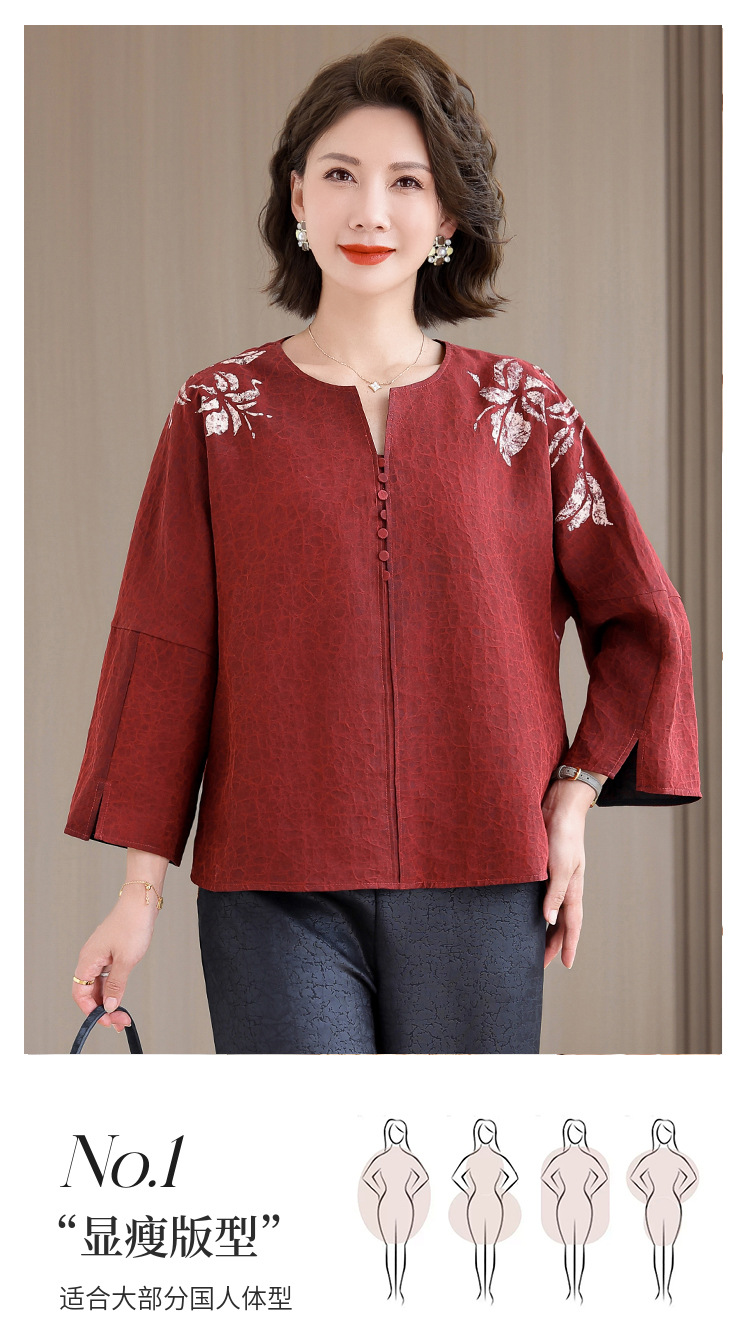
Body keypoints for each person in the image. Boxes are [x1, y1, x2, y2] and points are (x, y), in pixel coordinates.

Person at [65, 35, 701, 1055]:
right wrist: (138, 894)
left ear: (446, 215)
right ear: (298, 198)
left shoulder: (523, 410)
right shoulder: (218, 414)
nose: (370, 210)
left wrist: (575, 796)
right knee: (310, 1160)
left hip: (488, 874)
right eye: (340, 176)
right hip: (272, 888)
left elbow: (642, 620)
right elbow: (166, 650)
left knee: (451, 1161)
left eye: (407, 181)